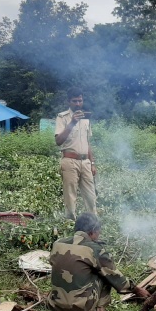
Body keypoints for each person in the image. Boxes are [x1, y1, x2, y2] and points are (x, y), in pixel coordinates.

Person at [47, 213, 150, 311]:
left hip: (55, 308)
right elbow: (116, 278)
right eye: (98, 232)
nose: (99, 235)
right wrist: (137, 290)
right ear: (93, 230)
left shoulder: (58, 243)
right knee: (105, 273)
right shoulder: (95, 249)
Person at [55, 88, 96, 220]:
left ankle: (93, 223)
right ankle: (70, 223)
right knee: (70, 195)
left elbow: (88, 143)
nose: (78, 104)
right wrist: (72, 122)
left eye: (80, 100)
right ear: (69, 101)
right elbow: (58, 141)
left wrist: (92, 163)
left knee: (91, 195)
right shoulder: (62, 117)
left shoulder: (86, 119)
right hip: (69, 161)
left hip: (85, 162)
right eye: (75, 101)